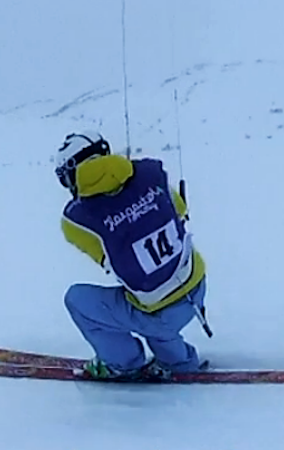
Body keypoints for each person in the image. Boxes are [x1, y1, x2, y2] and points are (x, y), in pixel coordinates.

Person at [55, 131, 209, 380]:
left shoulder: (75, 219)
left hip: (157, 313)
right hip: (197, 287)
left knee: (79, 300)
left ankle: (123, 364)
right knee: (155, 291)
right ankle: (177, 360)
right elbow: (181, 209)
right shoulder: (151, 175)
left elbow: (110, 262)